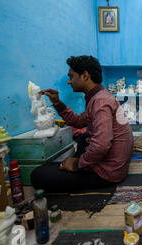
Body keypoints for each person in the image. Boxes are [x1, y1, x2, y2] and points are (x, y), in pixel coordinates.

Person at [31, 55, 133, 192]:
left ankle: (81, 168)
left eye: (71, 77)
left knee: (38, 175)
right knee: (83, 139)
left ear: (85, 76)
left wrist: (76, 164)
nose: (69, 82)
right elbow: (78, 122)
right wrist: (57, 103)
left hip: (107, 173)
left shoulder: (100, 102)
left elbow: (102, 145)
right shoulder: (99, 97)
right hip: (113, 164)